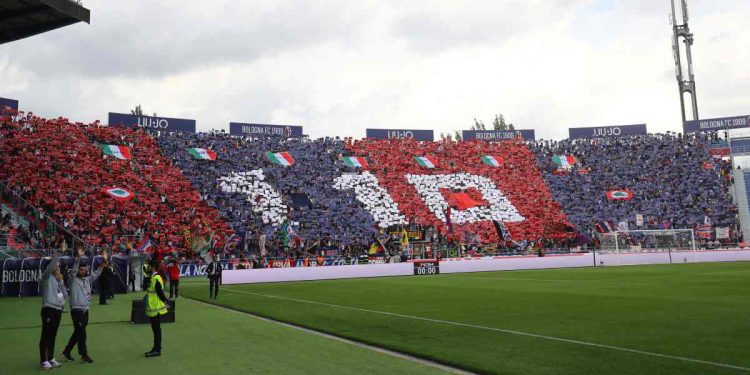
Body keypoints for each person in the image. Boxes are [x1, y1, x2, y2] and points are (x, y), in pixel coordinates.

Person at [62, 248, 105, 364]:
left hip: (85, 310)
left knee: (78, 331)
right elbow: (73, 271)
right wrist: (78, 258)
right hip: (76, 310)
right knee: (82, 333)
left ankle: (67, 350)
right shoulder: (72, 280)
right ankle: (84, 355)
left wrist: (103, 262)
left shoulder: (87, 279)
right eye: (80, 270)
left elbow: (96, 273)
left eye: (84, 269)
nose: (82, 271)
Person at [39, 249, 67, 370]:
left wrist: (61, 281)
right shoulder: (46, 277)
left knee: (53, 335)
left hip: (58, 310)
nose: (58, 266)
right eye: (56, 265)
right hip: (48, 309)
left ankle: (50, 358)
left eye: (58, 265)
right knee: (46, 334)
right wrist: (59, 253)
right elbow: (51, 266)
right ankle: (43, 360)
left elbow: (65, 295)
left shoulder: (57, 280)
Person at [145, 259, 170, 358]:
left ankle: (157, 349)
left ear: (153, 267)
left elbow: (159, 292)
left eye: (149, 266)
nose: (148, 268)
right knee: (155, 329)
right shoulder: (154, 277)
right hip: (153, 306)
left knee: (156, 329)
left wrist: (165, 301)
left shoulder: (156, 278)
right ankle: (155, 348)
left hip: (155, 306)